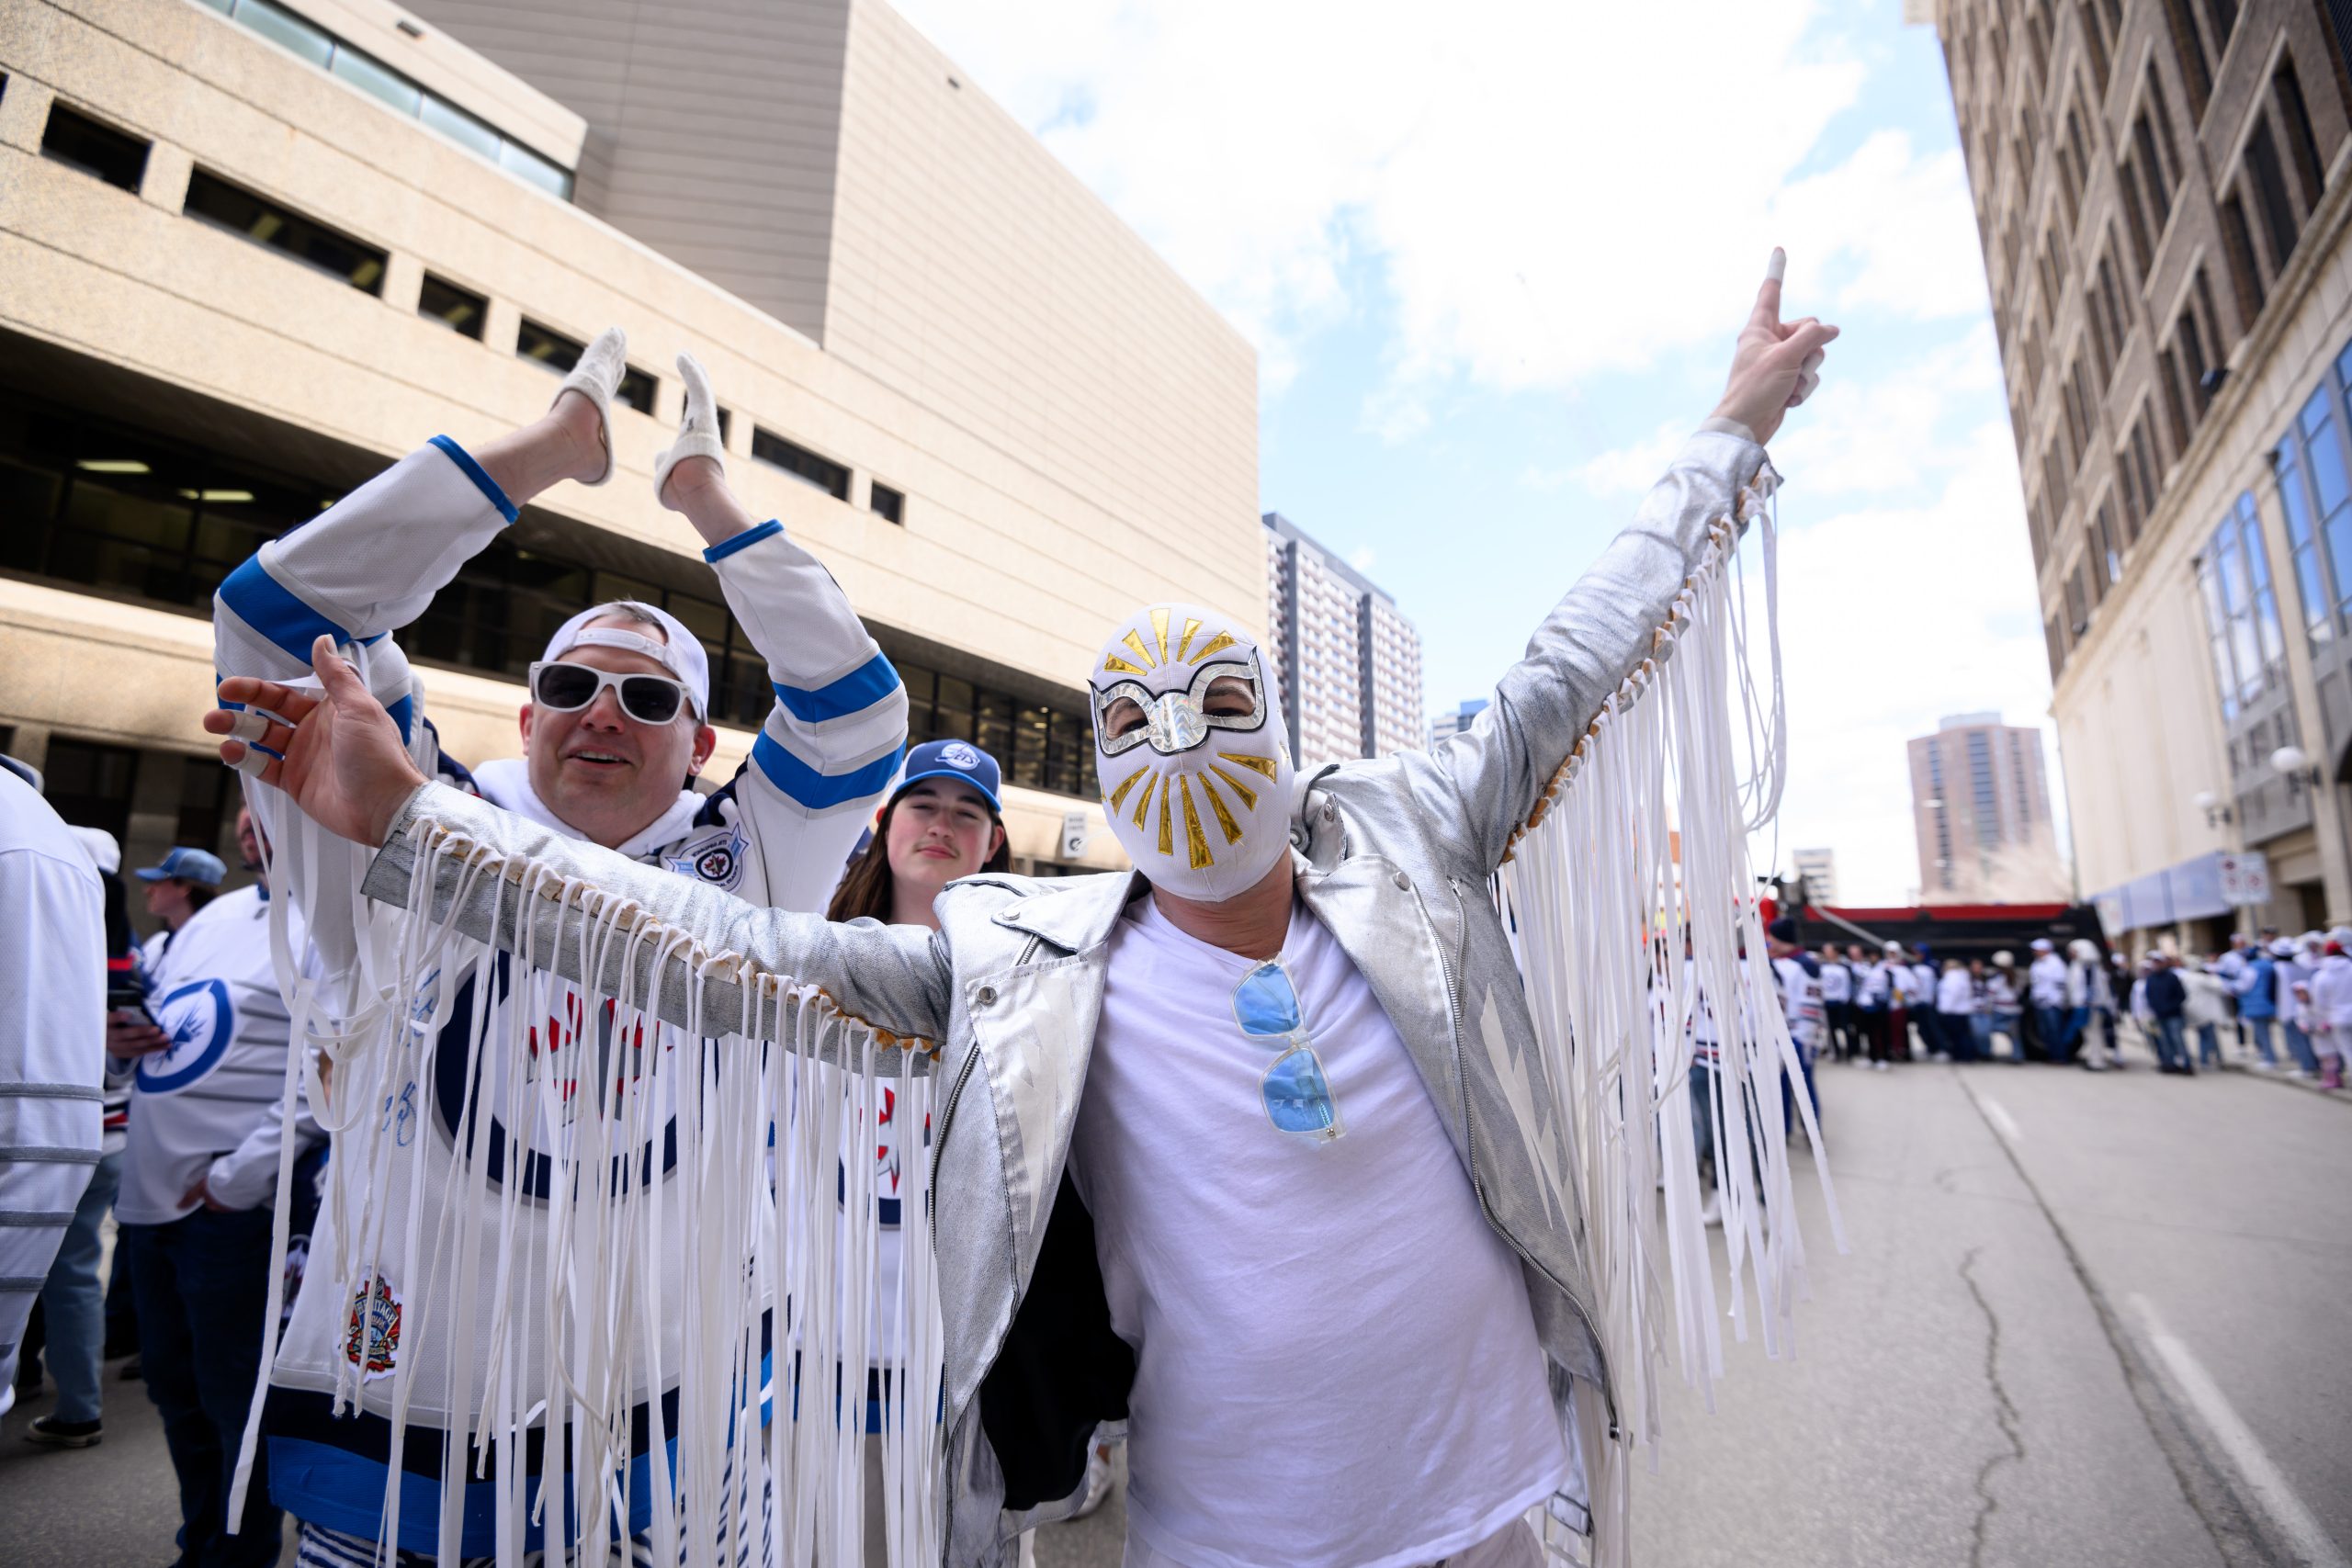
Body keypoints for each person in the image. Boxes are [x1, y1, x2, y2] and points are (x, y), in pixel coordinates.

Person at [210, 260, 1838, 1566]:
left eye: (1219, 699)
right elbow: (707, 954)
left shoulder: (1408, 835)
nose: (1182, 743)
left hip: (1493, 1499)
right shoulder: (1026, 961)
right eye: (1131, 723)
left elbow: (1573, 658)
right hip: (1217, 1529)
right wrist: (417, 823)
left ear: (1281, 718)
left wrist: (1728, 429)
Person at [206, 333, 910, 1563]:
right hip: (401, 1436)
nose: (605, 710)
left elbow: (853, 712)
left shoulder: (745, 863)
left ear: (698, 744)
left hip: (667, 1446)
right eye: (575, 683)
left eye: (649, 699)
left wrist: (705, 497)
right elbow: (280, 613)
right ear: (527, 712)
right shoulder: (392, 816)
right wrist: (548, 450)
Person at [104, 807, 319, 1562]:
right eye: (247, 804)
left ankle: (239, 1551)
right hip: (149, 1204)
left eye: (276, 803)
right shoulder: (221, 912)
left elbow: (329, 1073)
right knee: (172, 1389)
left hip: (233, 1216)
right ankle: (203, 1542)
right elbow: (161, 1033)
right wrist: (122, 1044)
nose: (253, 821)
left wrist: (238, 1180)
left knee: (235, 1400)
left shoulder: (331, 921)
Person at [22, 828, 140, 1448]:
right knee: (72, 1271)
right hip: (109, 1136)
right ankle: (76, 1403)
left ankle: (63, 1401)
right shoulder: (128, 952)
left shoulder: (48, 941)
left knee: (42, 1267)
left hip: (50, 1134)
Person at [0, 761, 107, 1422]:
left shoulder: (26, 835)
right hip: (64, 1147)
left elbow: (35, 1114)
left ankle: (80, 1407)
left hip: (72, 1146)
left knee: (75, 1282)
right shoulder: (39, 833)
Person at [1765, 919, 1823, 1134]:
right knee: (1779, 1088)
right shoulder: (1779, 962)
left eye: (1772, 936)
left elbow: (1812, 1003)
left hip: (1799, 1036)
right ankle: (1784, 1131)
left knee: (1803, 1087)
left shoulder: (1805, 964)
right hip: (1778, 1036)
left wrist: (1803, 1038)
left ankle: (1812, 1131)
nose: (1769, 940)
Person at [134, 845, 227, 965]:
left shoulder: (214, 950)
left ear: (184, 887)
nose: (147, 890)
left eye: (157, 882)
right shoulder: (156, 944)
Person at [2310, 929, 2352, 1091]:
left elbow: (2319, 1003)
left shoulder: (2322, 976)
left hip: (2338, 1018)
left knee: (2348, 1050)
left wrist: (2323, 1019)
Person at [2276, 936, 2323, 1078]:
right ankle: (2314, 1065)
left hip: (2290, 1009)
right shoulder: (2302, 966)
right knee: (2309, 1039)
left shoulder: (2278, 968)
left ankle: (2307, 1068)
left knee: (2300, 1040)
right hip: (2305, 1007)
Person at [2235, 938, 2282, 1070]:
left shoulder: (2250, 968)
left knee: (2262, 1033)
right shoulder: (2268, 964)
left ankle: (2269, 1059)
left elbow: (2243, 987)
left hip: (2256, 1006)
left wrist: (2232, 986)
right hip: (2269, 1003)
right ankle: (2269, 1056)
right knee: (2267, 1032)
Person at [2143, 954, 2193, 1076]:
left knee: (2178, 1040)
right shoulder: (2151, 979)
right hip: (2160, 1015)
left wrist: (2170, 1007)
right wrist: (2156, 1008)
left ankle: (2187, 1065)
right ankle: (2169, 1064)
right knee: (2164, 1041)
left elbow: (2181, 996)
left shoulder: (2172, 977)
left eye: (2159, 962)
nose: (2157, 965)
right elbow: (2149, 997)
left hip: (2174, 1015)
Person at [2181, 957, 2232, 1070]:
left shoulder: (2185, 977)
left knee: (2206, 1037)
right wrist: (2213, 975)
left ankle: (2217, 1058)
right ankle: (2206, 1060)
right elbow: (2219, 986)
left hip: (2193, 1012)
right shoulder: (2201, 978)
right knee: (2207, 1037)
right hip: (2205, 1013)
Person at [1852, 943, 1895, 1069]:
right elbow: (1860, 987)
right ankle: (1872, 1056)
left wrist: (1881, 1002)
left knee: (1882, 1033)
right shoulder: (1864, 969)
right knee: (1869, 1033)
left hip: (1880, 1007)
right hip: (1866, 1007)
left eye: (1874, 955)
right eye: (1870, 955)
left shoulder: (1885, 969)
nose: (1872, 958)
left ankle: (1884, 1058)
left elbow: (1889, 988)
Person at [2027, 938, 2069, 1061]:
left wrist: (2055, 1000)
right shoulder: (2037, 963)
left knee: (2055, 1031)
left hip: (2051, 1004)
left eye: (2036, 949)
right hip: (2040, 1003)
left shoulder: (2056, 963)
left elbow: (2061, 984)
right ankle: (2051, 1056)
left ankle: (2060, 1058)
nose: (2034, 952)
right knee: (2044, 1032)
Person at [1815, 943, 1852, 1062]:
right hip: (1827, 1002)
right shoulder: (1822, 967)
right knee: (1831, 1029)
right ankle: (1835, 1052)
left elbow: (1847, 985)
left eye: (1828, 950)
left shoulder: (1844, 967)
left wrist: (1845, 999)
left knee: (1845, 1028)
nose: (1825, 952)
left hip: (1841, 1002)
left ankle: (1849, 1052)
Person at [1984, 953, 2022, 1061]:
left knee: (1989, 1029)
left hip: (2000, 1009)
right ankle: (2018, 1056)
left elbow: (1991, 995)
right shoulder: (2016, 976)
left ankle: (1986, 1052)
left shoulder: (1997, 978)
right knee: (2016, 1036)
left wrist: (1987, 1008)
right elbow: (2019, 993)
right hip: (2014, 1009)